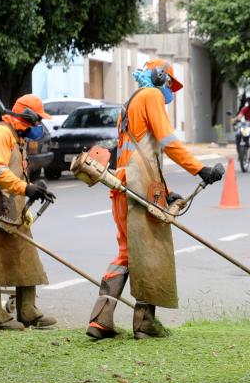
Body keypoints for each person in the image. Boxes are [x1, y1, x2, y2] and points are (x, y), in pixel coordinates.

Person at [85, 59, 224, 340]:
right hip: (139, 187)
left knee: (127, 252)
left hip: (126, 185)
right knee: (149, 252)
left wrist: (164, 188)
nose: (171, 92)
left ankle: (100, 320)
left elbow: (143, 155)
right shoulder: (151, 96)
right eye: (170, 84)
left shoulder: (131, 102)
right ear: (160, 78)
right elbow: (168, 142)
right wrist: (200, 169)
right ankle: (145, 323)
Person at [0, 94, 58, 330]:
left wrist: (34, 187)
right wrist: (26, 187)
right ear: (27, 117)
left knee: (25, 256)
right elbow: (0, 172)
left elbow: (16, 171)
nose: (39, 126)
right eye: (37, 120)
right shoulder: (2, 134)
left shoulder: (17, 137)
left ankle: (27, 310)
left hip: (14, 206)